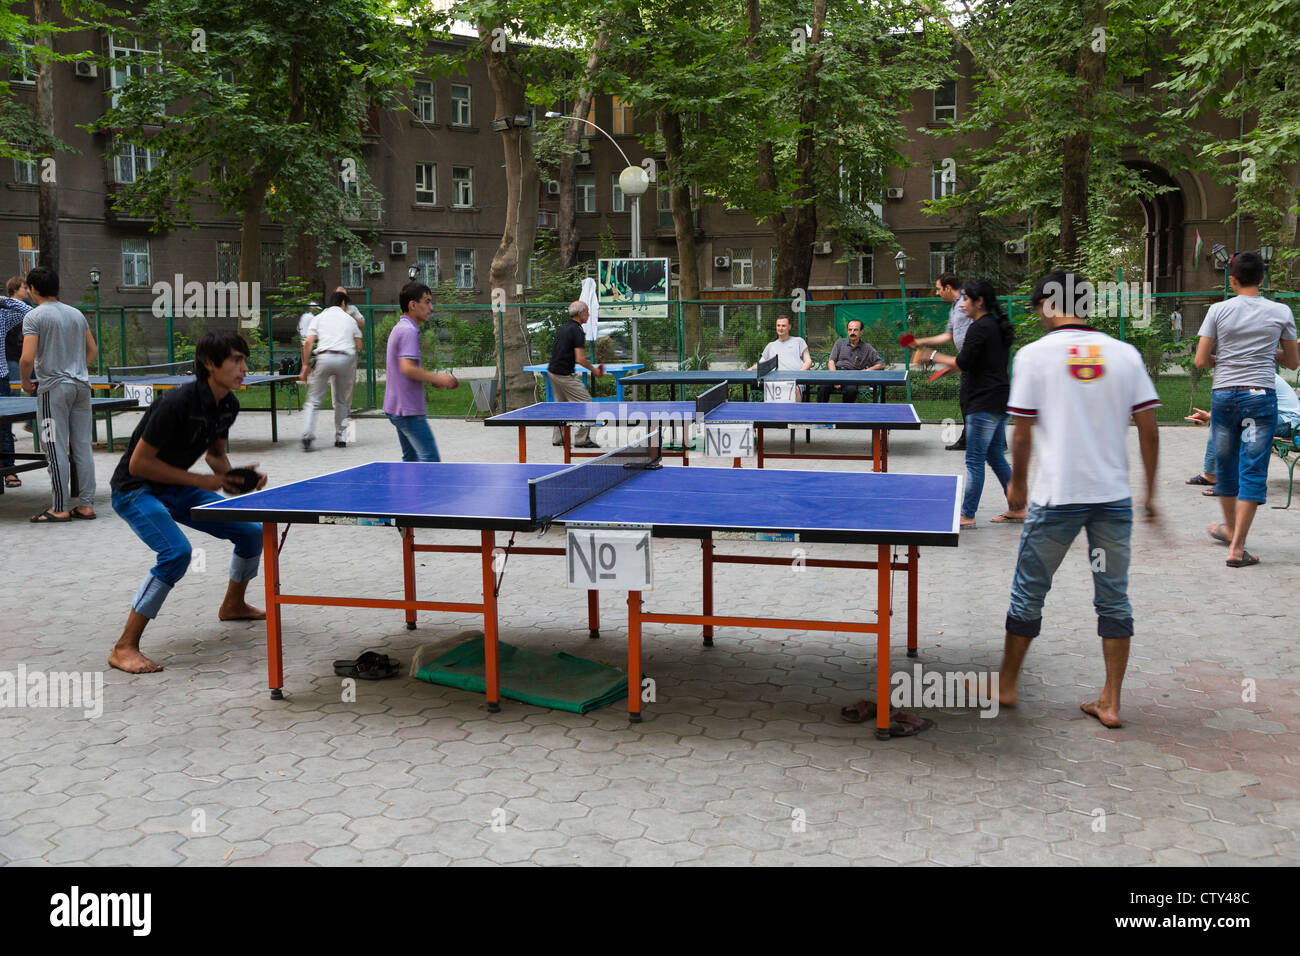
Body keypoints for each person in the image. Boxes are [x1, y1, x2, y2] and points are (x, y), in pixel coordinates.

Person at [994, 270, 1160, 729]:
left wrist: (1018, 486)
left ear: (1050, 304)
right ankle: (1110, 701)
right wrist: (1150, 494)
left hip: (1057, 498)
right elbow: (1148, 428)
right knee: (1113, 598)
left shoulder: (1033, 356)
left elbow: (1021, 432)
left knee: (1030, 590)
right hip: (1112, 499)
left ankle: (1007, 685)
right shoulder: (1125, 355)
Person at [108, 331, 268, 674]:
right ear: (210, 364)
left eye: (245, 360)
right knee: (176, 553)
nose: (244, 368)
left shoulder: (228, 405)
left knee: (252, 532)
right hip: (135, 489)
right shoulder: (177, 402)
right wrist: (201, 481)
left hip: (176, 485)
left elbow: (215, 456)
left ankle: (233, 605)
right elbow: (138, 464)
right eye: (236, 360)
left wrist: (236, 481)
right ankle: (124, 647)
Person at [1194, 251, 1299, 566]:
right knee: (1253, 469)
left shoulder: (1218, 310)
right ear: (1263, 279)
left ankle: (1230, 530)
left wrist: (1226, 359)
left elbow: (1200, 361)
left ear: (1233, 279)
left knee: (1225, 468)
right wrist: (1270, 354)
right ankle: (1236, 547)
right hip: (1259, 397)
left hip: (1224, 396)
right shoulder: (1281, 312)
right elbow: (1293, 361)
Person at [923, 278, 1021, 527]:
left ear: (979, 302)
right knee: (995, 456)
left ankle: (967, 514)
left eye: (966, 299)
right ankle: (1018, 507)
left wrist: (932, 356)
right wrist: (944, 368)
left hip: (983, 402)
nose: (962, 303)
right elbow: (974, 362)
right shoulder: (996, 326)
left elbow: (963, 362)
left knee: (974, 461)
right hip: (999, 399)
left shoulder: (979, 328)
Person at [18, 267, 99, 523]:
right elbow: (92, 350)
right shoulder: (76, 314)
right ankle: (86, 505)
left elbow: (26, 359)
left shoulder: (34, 316)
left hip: (53, 389)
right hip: (81, 387)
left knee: (53, 447)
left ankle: (60, 507)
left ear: (32, 289)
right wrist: (77, 368)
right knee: (82, 447)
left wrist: (25, 383)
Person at [1185, 371, 1300, 490]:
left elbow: (1252, 407)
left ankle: (1245, 481)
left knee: (1244, 425)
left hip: (1289, 422)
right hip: (1274, 416)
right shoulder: (1245, 376)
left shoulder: (1259, 375)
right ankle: (1210, 475)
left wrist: (1211, 416)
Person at [383, 281, 459, 461]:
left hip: (396, 407)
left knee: (411, 461)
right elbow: (407, 368)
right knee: (430, 461)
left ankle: (406, 490)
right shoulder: (409, 330)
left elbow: (404, 368)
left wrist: (428, 379)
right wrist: (439, 378)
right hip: (408, 409)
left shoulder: (400, 327)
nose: (431, 307)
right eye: (427, 301)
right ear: (412, 305)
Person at [299, 291, 362, 451]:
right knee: (341, 400)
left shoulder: (319, 318)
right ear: (342, 303)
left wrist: (305, 365)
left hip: (324, 357)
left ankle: (307, 435)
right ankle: (341, 438)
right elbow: (359, 345)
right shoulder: (349, 319)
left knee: (313, 400)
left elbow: (308, 342)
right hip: (344, 359)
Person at [912, 273, 968, 450]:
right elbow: (948, 336)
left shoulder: (968, 302)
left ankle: (994, 441)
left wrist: (934, 356)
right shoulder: (954, 307)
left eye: (938, 289)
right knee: (967, 400)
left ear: (948, 288)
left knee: (976, 401)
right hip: (966, 360)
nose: (937, 293)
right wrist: (922, 341)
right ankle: (970, 439)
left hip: (976, 359)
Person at [547, 300, 605, 448]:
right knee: (587, 404)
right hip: (564, 375)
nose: (589, 314)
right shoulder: (577, 331)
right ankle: (582, 440)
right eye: (587, 311)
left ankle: (558, 438)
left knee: (562, 406)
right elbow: (579, 359)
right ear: (580, 314)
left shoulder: (564, 328)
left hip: (553, 371)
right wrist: (595, 370)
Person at [1, 278, 33, 486]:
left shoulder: (1, 316)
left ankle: (9, 470)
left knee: (4, 426)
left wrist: (4, 299)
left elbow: (28, 312)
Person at [816, 319, 885, 404]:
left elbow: (881, 364)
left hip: (852, 376)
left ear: (861, 332)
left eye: (855, 330)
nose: (852, 332)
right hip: (836, 373)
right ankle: (821, 413)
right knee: (823, 387)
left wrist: (867, 371)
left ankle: (845, 414)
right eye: (850, 330)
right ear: (847, 331)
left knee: (851, 390)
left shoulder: (867, 348)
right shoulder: (839, 343)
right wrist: (835, 378)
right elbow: (831, 362)